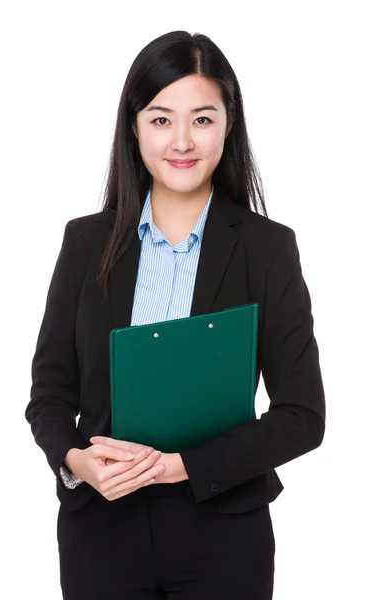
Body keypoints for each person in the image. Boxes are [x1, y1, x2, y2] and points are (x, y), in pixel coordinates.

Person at [25, 30, 326, 600]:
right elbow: (50, 392)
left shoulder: (267, 248)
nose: (182, 140)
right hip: (100, 528)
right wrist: (74, 461)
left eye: (203, 119)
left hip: (222, 529)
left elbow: (303, 415)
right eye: (161, 119)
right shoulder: (86, 243)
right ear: (133, 125)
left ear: (228, 124)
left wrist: (180, 465)